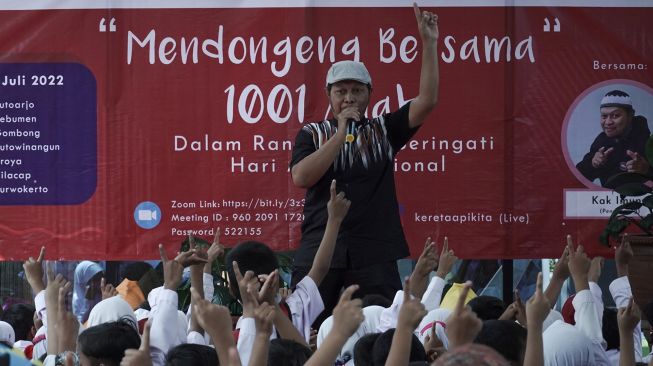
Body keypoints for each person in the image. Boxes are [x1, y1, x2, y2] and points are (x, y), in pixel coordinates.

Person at [289, 3, 440, 321]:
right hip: (321, 250)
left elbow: (427, 102)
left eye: (356, 91)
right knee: (309, 328)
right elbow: (301, 177)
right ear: (329, 95)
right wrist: (341, 132)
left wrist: (429, 43)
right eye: (341, 91)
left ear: (369, 94)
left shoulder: (383, 130)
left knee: (381, 329)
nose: (348, 98)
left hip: (374, 253)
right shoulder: (312, 134)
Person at [576, 90, 652, 188]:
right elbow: (578, 178)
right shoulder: (601, 142)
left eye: (615, 115)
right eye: (604, 116)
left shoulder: (649, 143)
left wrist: (646, 170)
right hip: (606, 201)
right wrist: (593, 164)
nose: (608, 122)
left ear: (630, 115)